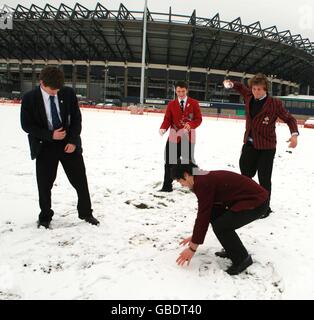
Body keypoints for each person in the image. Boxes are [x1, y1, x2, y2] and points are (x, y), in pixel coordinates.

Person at [20, 66, 99, 229]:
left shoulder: (68, 93)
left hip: (68, 144)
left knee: (80, 181)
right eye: (52, 90)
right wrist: (50, 135)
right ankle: (45, 216)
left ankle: (86, 213)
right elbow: (27, 125)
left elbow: (77, 118)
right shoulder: (29, 98)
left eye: (58, 89)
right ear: (42, 83)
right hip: (44, 145)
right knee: (44, 184)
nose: (55, 92)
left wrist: (73, 141)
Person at [223, 74, 299, 218]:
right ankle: (247, 200)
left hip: (266, 147)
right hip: (250, 144)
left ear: (265, 90)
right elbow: (240, 87)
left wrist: (294, 135)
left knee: (264, 178)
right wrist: (231, 83)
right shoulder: (249, 96)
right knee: (245, 175)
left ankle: (264, 208)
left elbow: (289, 119)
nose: (256, 92)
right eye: (254, 88)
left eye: (259, 89)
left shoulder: (274, 104)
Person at [172, 163, 269, 275]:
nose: (181, 184)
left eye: (180, 181)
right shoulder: (200, 177)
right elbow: (207, 211)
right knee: (215, 216)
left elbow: (203, 215)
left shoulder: (202, 182)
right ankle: (233, 250)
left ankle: (242, 259)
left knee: (221, 226)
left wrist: (192, 248)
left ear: (186, 174)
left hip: (256, 202)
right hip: (247, 200)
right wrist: (195, 236)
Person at [159, 81, 202, 192]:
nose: (181, 93)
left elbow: (198, 119)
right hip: (173, 137)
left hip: (188, 138)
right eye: (178, 91)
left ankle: (195, 185)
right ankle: (167, 186)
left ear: (187, 90)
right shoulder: (171, 104)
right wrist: (163, 127)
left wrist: (191, 125)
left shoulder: (194, 103)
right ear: (175, 91)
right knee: (169, 162)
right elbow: (167, 119)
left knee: (188, 163)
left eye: (183, 91)